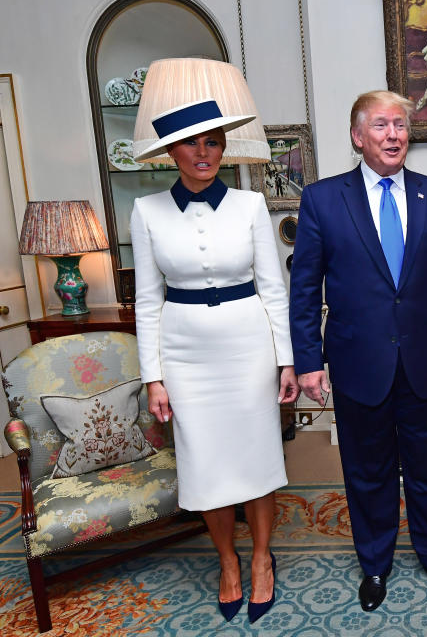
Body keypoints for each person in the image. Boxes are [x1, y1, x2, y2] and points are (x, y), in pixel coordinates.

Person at [289, 90, 427, 612]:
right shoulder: (322, 200)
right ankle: (375, 563)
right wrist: (307, 361)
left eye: (400, 125)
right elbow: (305, 289)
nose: (393, 135)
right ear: (357, 136)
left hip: (426, 361)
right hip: (357, 364)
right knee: (366, 471)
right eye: (381, 126)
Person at [131, 98, 299, 624]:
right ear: (170, 152)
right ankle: (227, 561)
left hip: (248, 348)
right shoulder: (147, 210)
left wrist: (285, 361)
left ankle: (262, 558)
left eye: (212, 142)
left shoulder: (250, 206)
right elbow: (146, 300)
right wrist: (153, 377)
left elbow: (275, 290)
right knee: (204, 462)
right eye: (190, 143)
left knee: (256, 457)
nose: (202, 153)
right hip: (184, 354)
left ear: (224, 149)